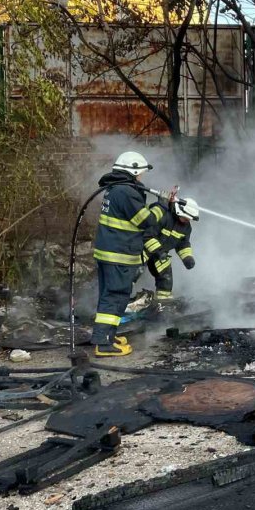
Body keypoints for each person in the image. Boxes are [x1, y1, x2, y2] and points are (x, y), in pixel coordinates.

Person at [91, 151, 163, 357]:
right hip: (119, 255)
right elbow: (145, 220)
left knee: (109, 296)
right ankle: (104, 344)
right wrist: (162, 207)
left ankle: (106, 335)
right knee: (115, 297)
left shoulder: (116, 189)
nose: (142, 177)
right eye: (141, 173)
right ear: (133, 171)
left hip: (109, 253)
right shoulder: (126, 192)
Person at [142, 196, 199, 304]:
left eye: (189, 218)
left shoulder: (186, 227)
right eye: (186, 217)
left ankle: (163, 306)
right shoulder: (164, 215)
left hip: (162, 255)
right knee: (132, 274)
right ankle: (121, 302)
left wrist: (187, 258)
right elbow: (147, 235)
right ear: (179, 211)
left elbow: (183, 244)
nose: (188, 220)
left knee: (166, 279)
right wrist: (158, 251)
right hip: (143, 251)